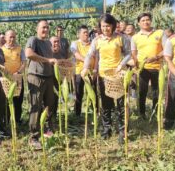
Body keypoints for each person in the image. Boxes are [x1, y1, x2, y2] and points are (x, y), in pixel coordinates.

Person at [82, 13, 131, 144]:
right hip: (104, 75)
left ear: (113, 26)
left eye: (108, 26)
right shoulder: (97, 40)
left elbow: (128, 54)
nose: (105, 29)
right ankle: (106, 128)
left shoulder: (121, 38)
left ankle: (122, 130)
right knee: (106, 103)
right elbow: (89, 55)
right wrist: (85, 67)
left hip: (118, 75)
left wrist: (122, 64)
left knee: (121, 103)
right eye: (103, 26)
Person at [25, 20, 57, 149]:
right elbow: (29, 54)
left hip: (48, 77)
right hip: (36, 77)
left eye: (47, 28)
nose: (45, 30)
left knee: (49, 106)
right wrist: (47, 60)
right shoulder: (33, 40)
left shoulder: (48, 43)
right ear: (37, 29)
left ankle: (48, 132)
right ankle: (33, 137)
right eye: (43, 27)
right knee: (35, 106)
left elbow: (51, 61)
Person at [131, 13, 166, 120]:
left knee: (156, 91)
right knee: (142, 91)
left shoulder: (160, 33)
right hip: (143, 68)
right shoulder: (135, 37)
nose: (146, 22)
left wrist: (156, 57)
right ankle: (142, 113)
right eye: (143, 20)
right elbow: (134, 53)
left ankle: (155, 113)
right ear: (138, 23)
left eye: (147, 20)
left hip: (157, 67)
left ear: (151, 21)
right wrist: (136, 65)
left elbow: (167, 49)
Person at [2, 30, 26, 124]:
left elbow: (24, 62)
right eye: (10, 37)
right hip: (6, 78)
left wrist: (18, 72)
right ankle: (6, 120)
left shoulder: (20, 49)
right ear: (5, 38)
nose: (12, 39)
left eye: (14, 37)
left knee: (18, 100)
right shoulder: (1, 50)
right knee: (6, 101)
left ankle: (17, 120)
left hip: (18, 78)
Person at [70, 25, 93, 116]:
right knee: (79, 92)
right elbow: (76, 55)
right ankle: (77, 113)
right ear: (78, 34)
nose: (86, 34)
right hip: (79, 71)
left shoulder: (92, 43)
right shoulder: (74, 43)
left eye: (87, 32)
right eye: (84, 33)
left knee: (92, 91)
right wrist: (87, 61)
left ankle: (95, 111)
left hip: (90, 71)